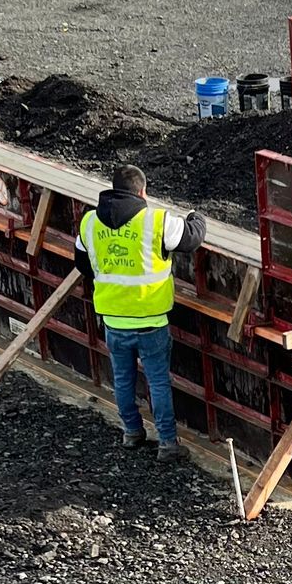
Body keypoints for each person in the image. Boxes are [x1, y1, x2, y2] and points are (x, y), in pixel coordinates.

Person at [76, 164, 207, 459]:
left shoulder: (89, 222)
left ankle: (132, 432)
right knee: (158, 382)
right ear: (142, 192)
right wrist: (197, 217)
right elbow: (191, 238)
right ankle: (168, 443)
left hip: (113, 320)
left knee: (123, 380)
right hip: (151, 320)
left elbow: (83, 264)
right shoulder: (156, 220)